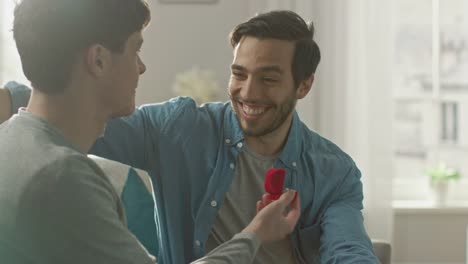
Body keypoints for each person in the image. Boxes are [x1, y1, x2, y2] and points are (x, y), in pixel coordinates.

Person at [1, 10, 379, 264]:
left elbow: (350, 250)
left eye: (268, 78)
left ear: (304, 85)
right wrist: (14, 95)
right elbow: (74, 107)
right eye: (239, 73)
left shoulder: (333, 172)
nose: (247, 92)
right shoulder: (181, 129)